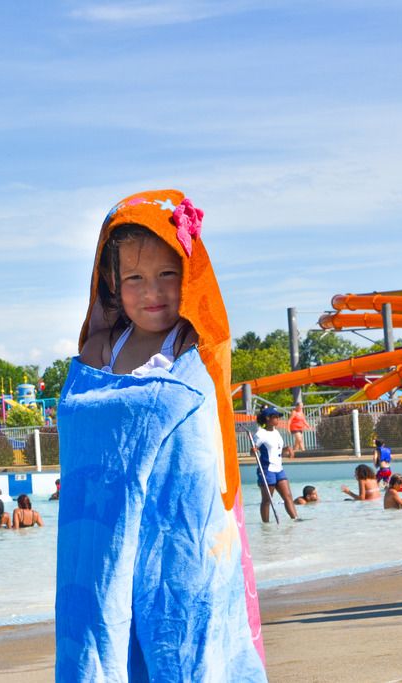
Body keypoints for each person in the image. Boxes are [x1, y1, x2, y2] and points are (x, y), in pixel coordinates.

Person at [59, 190, 266, 679]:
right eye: (134, 278)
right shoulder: (102, 345)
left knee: (183, 622)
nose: (152, 291)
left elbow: (192, 409)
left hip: (179, 520)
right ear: (112, 283)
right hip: (109, 519)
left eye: (167, 274)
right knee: (108, 617)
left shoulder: (192, 344)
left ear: (189, 276)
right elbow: (81, 416)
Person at [252, 407, 298, 521]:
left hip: (279, 469)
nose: (278, 419)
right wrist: (253, 451)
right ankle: (266, 525)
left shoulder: (277, 433)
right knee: (267, 500)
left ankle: (296, 519)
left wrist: (286, 449)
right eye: (275, 417)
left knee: (288, 496)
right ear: (268, 418)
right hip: (267, 470)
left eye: (278, 417)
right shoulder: (260, 434)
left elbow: (277, 452)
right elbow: (253, 452)